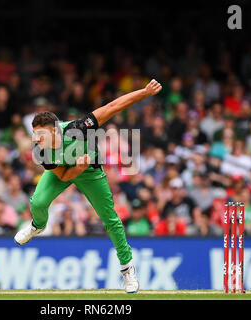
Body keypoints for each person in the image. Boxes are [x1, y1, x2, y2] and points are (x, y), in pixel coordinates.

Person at [14, 79, 162, 293]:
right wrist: (77, 167)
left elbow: (113, 106)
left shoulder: (80, 128)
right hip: (67, 170)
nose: (36, 139)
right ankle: (38, 225)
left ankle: (127, 269)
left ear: (55, 131)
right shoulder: (40, 150)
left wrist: (145, 92)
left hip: (90, 172)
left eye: (41, 134)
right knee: (37, 202)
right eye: (35, 134)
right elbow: (64, 176)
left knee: (111, 219)